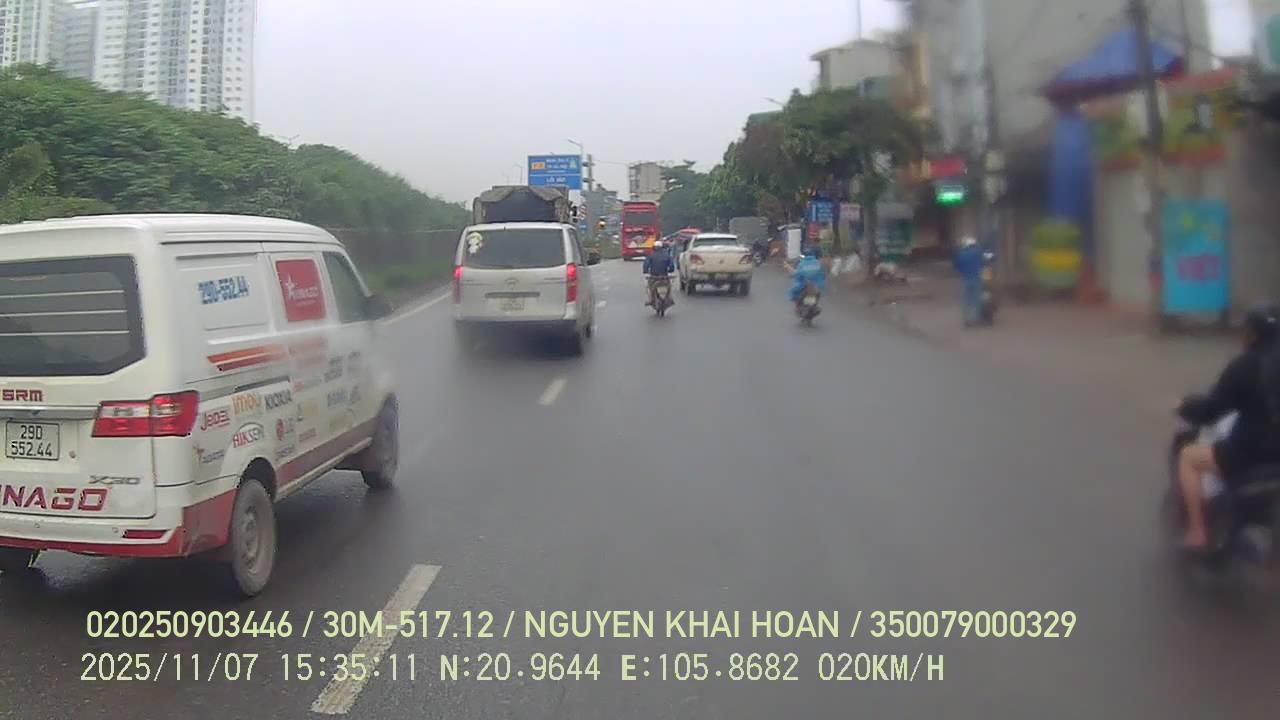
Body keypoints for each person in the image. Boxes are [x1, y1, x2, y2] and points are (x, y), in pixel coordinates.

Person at [1176, 304, 1280, 549]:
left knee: (1188, 457)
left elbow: (1211, 410)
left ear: (1251, 333)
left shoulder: (1244, 365)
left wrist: (1184, 407)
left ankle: (1197, 532)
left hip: (1252, 452)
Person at [953, 236, 984, 325]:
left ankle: (966, 320)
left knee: (966, 300)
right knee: (976, 299)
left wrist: (962, 271)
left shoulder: (961, 254)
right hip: (976, 278)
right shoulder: (977, 252)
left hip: (965, 279)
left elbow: (956, 266)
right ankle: (976, 319)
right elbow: (983, 262)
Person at [643, 239, 676, 307]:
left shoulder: (651, 255)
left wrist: (645, 271)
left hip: (654, 276)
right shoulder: (667, 255)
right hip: (664, 276)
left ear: (654, 248)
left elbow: (646, 264)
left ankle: (651, 299)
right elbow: (671, 265)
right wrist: (670, 270)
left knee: (650, 287)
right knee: (669, 286)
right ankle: (669, 299)